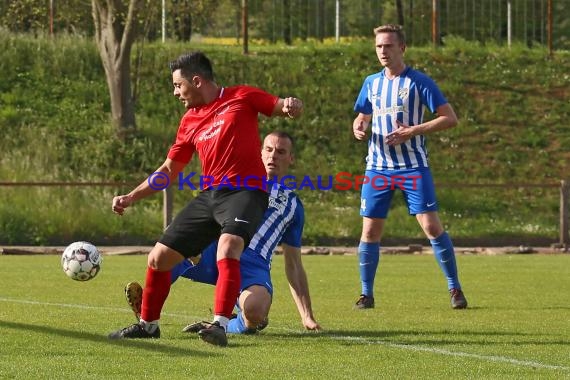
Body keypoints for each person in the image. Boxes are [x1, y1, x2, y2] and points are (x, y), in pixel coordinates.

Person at [108, 51, 304, 347]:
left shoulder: (241, 96)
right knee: (158, 258)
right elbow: (169, 169)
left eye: (177, 85)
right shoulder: (189, 120)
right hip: (211, 196)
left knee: (229, 247)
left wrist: (291, 105)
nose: (176, 93)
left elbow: (280, 106)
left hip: (247, 192)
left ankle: (220, 324)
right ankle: (148, 325)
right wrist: (133, 196)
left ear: (196, 81)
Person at [124, 131, 321, 334]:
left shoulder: (293, 205)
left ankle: (236, 322)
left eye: (281, 152)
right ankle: (147, 311)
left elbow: (294, 265)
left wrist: (307, 316)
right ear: (259, 152)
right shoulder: (235, 182)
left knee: (255, 311)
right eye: (269, 150)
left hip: (253, 265)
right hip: (215, 252)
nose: (273, 156)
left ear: (291, 158)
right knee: (175, 249)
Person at [352, 24, 468, 310]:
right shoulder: (371, 82)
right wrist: (359, 125)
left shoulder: (419, 82)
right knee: (369, 232)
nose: (383, 51)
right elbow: (363, 114)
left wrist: (412, 131)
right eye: (379, 46)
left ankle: (455, 288)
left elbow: (449, 118)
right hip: (377, 169)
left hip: (413, 167)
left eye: (389, 46)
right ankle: (366, 294)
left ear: (402, 48)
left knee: (431, 226)